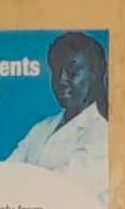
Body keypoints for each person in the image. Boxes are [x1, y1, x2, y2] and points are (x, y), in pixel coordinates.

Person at [9, 32, 110, 198]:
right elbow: (4, 175)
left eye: (72, 72)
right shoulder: (41, 129)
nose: (61, 81)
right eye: (56, 71)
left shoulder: (103, 135)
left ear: (96, 73)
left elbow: (60, 190)